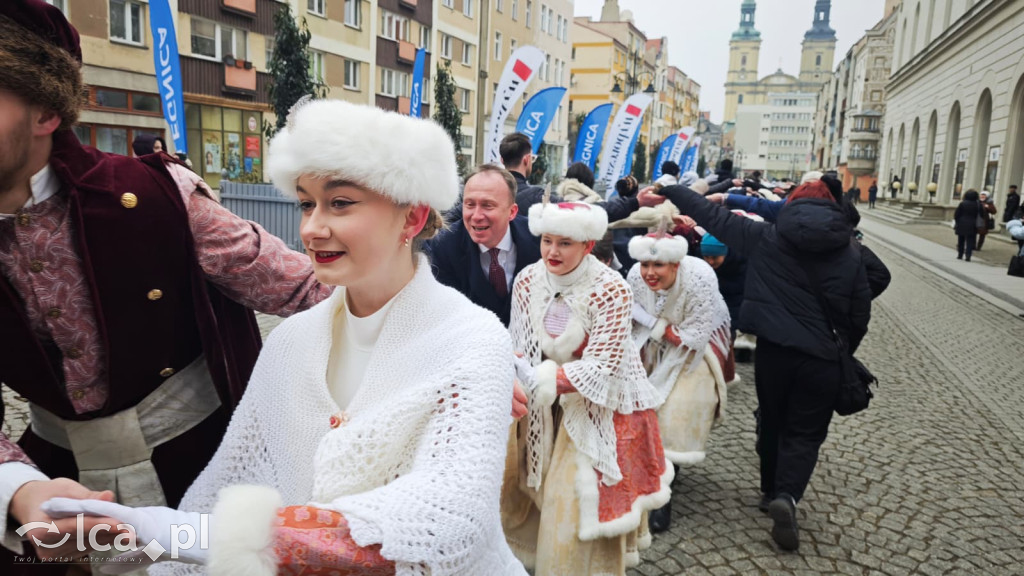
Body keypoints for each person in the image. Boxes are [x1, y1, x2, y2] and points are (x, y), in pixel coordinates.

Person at [44, 99, 527, 575]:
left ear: (413, 218)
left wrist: (196, 536)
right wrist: (161, 543)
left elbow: (449, 517)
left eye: (340, 203)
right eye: (306, 203)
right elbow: (229, 480)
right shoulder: (290, 343)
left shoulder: (472, 340)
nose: (312, 228)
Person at [0, 4, 331, 570]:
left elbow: (308, 290)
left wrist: (445, 346)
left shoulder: (156, 195)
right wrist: (18, 489)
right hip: (49, 490)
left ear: (46, 109)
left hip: (202, 472)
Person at [656, 179, 872, 552]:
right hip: (823, 358)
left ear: (790, 205)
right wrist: (843, 346)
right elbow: (861, 310)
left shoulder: (766, 237)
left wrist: (671, 189)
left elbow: (713, 216)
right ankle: (786, 495)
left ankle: (769, 489)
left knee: (773, 419)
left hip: (775, 351)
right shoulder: (851, 251)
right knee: (806, 432)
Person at [502, 200, 672, 575]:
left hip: (599, 403)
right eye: (547, 240)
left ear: (588, 245)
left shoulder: (612, 288)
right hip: (542, 398)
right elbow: (520, 341)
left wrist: (550, 379)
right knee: (524, 486)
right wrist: (518, 373)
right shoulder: (528, 278)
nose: (552, 251)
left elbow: (603, 366)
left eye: (565, 243)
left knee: (575, 500)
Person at [626, 232, 731, 534]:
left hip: (698, 343)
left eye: (658, 265)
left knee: (678, 409)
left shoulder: (700, 278)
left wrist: (654, 323)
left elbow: (693, 339)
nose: (649, 273)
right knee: (642, 406)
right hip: (649, 340)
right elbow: (631, 322)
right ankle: (654, 471)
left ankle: (664, 493)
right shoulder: (634, 276)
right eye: (645, 264)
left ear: (675, 264)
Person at [427, 164, 540, 326]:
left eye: (487, 205)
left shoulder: (539, 239)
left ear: (512, 212)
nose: (476, 216)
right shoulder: (445, 246)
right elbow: (446, 315)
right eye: (470, 204)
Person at [504, 132, 666, 221]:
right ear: (526, 160)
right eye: (532, 159)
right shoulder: (537, 197)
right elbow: (586, 212)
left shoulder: (492, 193)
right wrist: (635, 202)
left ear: (502, 160)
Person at [954, 189, 982, 261]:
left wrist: (957, 221)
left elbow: (957, 214)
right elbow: (981, 214)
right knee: (970, 241)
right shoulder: (978, 204)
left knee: (961, 240)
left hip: (962, 223)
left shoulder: (962, 203)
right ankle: (968, 255)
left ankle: (960, 254)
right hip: (972, 223)